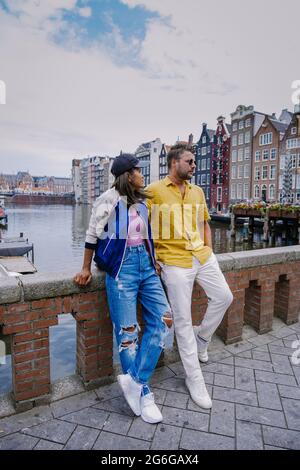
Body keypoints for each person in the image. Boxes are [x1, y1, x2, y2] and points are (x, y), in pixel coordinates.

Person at [74, 153, 172, 424]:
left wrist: (154, 260)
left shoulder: (140, 202)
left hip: (147, 267)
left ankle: (136, 381)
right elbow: (92, 235)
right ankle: (145, 394)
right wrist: (85, 268)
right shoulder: (107, 199)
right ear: (128, 175)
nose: (143, 175)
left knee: (165, 318)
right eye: (139, 171)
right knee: (128, 335)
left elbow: (145, 234)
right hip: (121, 271)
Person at [147, 143, 233, 409]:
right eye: (190, 162)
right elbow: (139, 227)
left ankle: (203, 339)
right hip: (173, 261)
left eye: (195, 162)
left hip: (201, 256)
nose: (194, 166)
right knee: (182, 319)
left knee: (224, 297)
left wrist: (207, 249)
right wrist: (154, 260)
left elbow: (204, 222)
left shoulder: (197, 191)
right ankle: (193, 378)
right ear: (175, 163)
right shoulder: (154, 191)